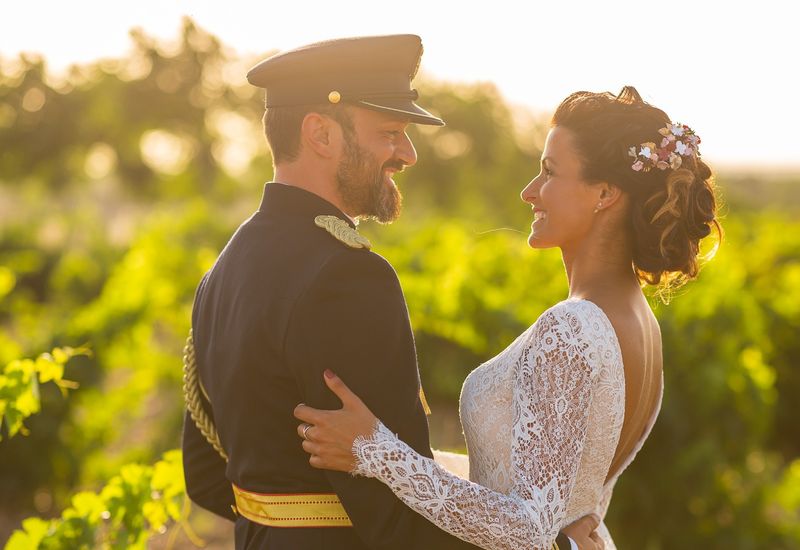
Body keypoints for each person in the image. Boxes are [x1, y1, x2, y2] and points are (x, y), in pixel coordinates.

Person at [180, 34, 594, 550]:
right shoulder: (348, 277)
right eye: (391, 132)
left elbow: (205, 476)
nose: (409, 154)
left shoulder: (223, 269)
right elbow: (400, 523)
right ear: (320, 134)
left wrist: (282, 522)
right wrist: (550, 545)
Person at [292, 85, 724, 549]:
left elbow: (527, 528)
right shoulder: (641, 323)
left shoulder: (573, 328)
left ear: (604, 193)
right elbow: (542, 494)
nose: (529, 191)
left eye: (549, 172)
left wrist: (376, 450)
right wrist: (407, 453)